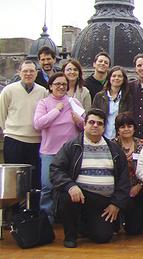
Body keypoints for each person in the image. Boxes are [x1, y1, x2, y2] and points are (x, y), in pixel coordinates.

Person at [50, 109, 130, 248]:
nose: (95, 126)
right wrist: (70, 186)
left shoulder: (115, 149)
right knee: (66, 195)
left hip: (103, 202)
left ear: (104, 127)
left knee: (103, 237)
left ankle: (83, 226)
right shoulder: (72, 146)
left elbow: (124, 179)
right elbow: (55, 169)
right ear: (85, 125)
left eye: (99, 123)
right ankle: (71, 235)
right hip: (78, 196)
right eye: (91, 122)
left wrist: (116, 203)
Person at [33, 72, 84, 223]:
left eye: (64, 84)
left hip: (70, 153)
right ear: (50, 86)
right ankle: (46, 221)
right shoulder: (44, 103)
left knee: (70, 186)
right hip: (49, 152)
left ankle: (69, 219)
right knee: (47, 187)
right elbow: (38, 124)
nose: (61, 87)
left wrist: (79, 120)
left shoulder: (74, 102)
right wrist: (57, 110)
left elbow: (86, 126)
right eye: (57, 84)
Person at [0, 60, 49, 189]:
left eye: (31, 71)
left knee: (34, 180)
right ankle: (13, 209)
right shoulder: (8, 90)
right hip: (14, 140)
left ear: (36, 73)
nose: (28, 74)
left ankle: (33, 208)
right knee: (13, 182)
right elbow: (2, 114)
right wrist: (10, 130)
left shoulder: (43, 91)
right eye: (25, 71)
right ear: (19, 72)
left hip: (36, 142)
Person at [111, 112, 143, 235]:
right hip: (116, 190)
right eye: (122, 127)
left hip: (137, 190)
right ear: (117, 130)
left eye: (129, 126)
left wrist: (140, 185)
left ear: (134, 128)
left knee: (134, 230)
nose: (126, 129)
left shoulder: (142, 145)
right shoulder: (111, 145)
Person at [92, 66, 133, 139]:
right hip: (102, 136)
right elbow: (93, 116)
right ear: (109, 78)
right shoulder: (99, 96)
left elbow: (130, 119)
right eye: (114, 76)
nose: (116, 78)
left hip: (120, 137)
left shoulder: (128, 98)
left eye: (119, 76)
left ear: (123, 79)